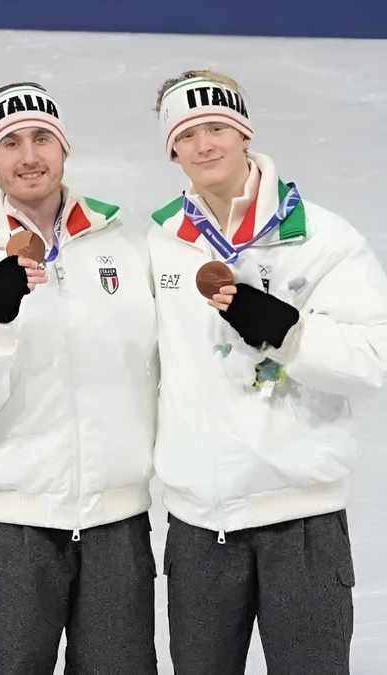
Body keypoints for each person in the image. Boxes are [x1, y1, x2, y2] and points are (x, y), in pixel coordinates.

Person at [0, 82, 158, 673]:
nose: (28, 156)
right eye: (10, 142)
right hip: (16, 526)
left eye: (42, 138)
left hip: (116, 520)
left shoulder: (121, 246)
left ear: (63, 148)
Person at [149, 69, 387, 674]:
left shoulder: (323, 237)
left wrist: (289, 332)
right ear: (171, 150)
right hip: (201, 525)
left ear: (244, 134)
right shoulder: (160, 244)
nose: (205, 145)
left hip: (300, 518)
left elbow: (375, 357)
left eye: (218, 127)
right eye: (188, 134)